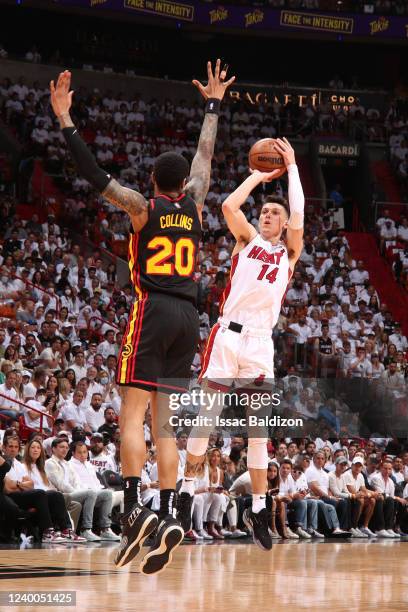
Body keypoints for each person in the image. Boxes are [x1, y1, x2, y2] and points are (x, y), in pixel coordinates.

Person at [50, 61, 235, 573]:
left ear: (154, 180)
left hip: (152, 310)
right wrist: (213, 105)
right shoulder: (196, 204)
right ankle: (172, 510)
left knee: (130, 419)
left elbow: (92, 175)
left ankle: (134, 512)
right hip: (189, 319)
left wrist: (66, 120)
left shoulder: (139, 206)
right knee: (166, 429)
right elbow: (205, 154)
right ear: (183, 185)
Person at [178, 138, 305, 552]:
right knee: (206, 419)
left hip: (259, 344)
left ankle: (258, 509)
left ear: (284, 225)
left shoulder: (288, 253)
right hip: (226, 336)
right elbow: (229, 207)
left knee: (257, 432)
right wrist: (257, 176)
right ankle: (183, 494)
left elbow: (299, 213)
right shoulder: (247, 239)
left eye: (275, 213)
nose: (267, 215)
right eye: (265, 211)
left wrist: (292, 169)